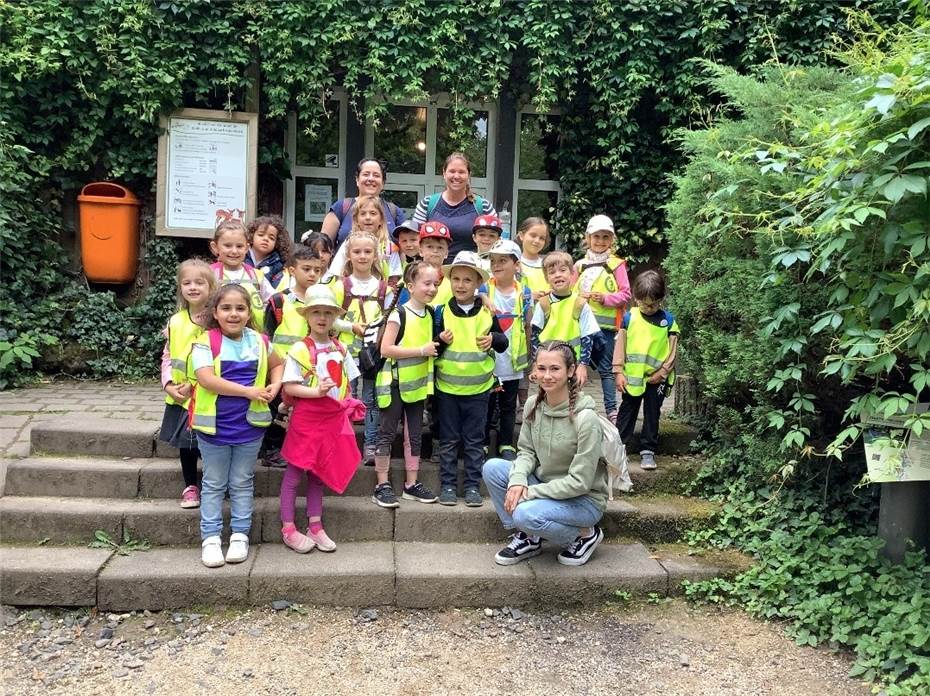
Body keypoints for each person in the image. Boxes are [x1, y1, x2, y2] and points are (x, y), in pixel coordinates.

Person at [483, 340, 607, 567]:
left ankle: (584, 536)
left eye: (555, 369)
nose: (547, 376)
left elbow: (580, 482)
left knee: (525, 514)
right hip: (545, 485)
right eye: (541, 368)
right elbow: (527, 452)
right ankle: (528, 537)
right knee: (492, 468)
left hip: (583, 499)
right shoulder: (533, 405)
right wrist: (518, 481)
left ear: (570, 371)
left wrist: (529, 492)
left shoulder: (586, 419)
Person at [189, 284, 284, 568]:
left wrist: (274, 385)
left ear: (248, 312)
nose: (233, 314)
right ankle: (211, 539)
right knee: (214, 483)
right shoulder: (205, 342)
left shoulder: (260, 340)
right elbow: (206, 379)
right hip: (213, 427)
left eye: (240, 308)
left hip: (250, 425)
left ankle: (240, 535)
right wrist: (248, 392)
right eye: (226, 308)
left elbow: (278, 364)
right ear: (215, 312)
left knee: (242, 482)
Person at [278, 285, 366, 553]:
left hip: (332, 420)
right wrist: (316, 392)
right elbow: (290, 387)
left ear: (334, 318)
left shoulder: (340, 348)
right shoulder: (299, 349)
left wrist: (347, 403)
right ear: (307, 316)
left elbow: (348, 384)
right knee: (294, 473)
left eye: (328, 312)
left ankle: (315, 526)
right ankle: (288, 527)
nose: (322, 317)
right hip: (306, 419)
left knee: (319, 473)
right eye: (316, 311)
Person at [434, 251, 508, 506]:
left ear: (478, 284)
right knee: (449, 440)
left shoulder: (487, 312)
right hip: (447, 390)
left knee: (476, 441)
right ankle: (447, 485)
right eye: (456, 279)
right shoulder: (440, 312)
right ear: (450, 281)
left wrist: (493, 339)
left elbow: (503, 342)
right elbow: (432, 349)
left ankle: (473, 487)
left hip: (479, 391)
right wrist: (439, 342)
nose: (461, 285)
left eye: (467, 280)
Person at [372, 261, 441, 507]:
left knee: (414, 436)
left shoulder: (431, 313)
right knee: (387, 434)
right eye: (427, 283)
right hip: (393, 385)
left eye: (435, 283)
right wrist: (421, 350)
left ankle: (411, 484)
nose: (432, 288)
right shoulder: (398, 314)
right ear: (410, 286)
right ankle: (382, 484)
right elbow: (385, 349)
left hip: (417, 386)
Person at [261, 244, 326, 467]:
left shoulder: (320, 302)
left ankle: (295, 450)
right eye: (306, 269)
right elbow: (266, 336)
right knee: (277, 410)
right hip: (279, 369)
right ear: (291, 270)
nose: (312, 274)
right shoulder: (279, 301)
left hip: (307, 369)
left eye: (317, 270)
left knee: (300, 412)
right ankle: (271, 450)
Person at [158, 259, 216, 509]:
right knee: (186, 445)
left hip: (208, 393)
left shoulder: (217, 320)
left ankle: (215, 484)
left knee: (210, 443)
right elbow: (168, 355)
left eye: (199, 282)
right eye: (187, 282)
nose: (193, 287)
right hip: (180, 396)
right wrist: (168, 383)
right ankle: (190, 486)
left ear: (211, 287)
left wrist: (196, 384)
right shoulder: (175, 321)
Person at [331, 232, 391, 464]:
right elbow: (330, 319)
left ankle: (371, 444)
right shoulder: (340, 286)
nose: (362, 256)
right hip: (345, 354)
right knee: (344, 398)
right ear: (349, 255)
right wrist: (351, 326)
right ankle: (341, 443)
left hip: (372, 356)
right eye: (357, 251)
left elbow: (390, 319)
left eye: (368, 251)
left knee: (370, 400)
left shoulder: (384, 288)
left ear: (375, 255)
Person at [613, 270, 679, 471]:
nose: (648, 308)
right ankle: (618, 449)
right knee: (627, 411)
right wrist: (618, 372)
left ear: (661, 299)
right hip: (632, 379)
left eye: (653, 304)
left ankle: (648, 451)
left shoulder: (668, 322)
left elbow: (673, 351)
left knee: (652, 413)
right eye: (643, 303)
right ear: (635, 298)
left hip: (657, 379)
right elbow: (620, 346)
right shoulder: (628, 318)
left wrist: (663, 373)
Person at [574, 214, 631, 422]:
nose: (600, 241)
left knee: (606, 370)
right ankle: (572, 404)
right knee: (575, 366)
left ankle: (611, 411)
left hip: (606, 328)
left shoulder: (617, 265)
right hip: (580, 327)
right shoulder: (579, 266)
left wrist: (606, 298)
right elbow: (571, 293)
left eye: (605, 237)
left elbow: (626, 294)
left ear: (612, 240)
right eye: (596, 236)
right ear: (588, 238)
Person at [484, 240, 532, 461]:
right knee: (486, 404)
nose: (496, 265)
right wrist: (482, 297)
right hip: (489, 360)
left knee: (508, 406)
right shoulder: (485, 289)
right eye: (493, 261)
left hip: (512, 361)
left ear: (516, 264)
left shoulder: (524, 292)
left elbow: (528, 324)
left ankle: (506, 443)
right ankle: (483, 442)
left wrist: (531, 354)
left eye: (503, 260)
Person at [531, 251, 600, 386]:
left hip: (572, 366)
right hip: (548, 368)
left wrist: (583, 365)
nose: (557, 275)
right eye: (552, 272)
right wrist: (535, 364)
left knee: (571, 400)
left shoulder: (580, 304)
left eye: (562, 270)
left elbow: (587, 337)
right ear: (546, 278)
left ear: (572, 273)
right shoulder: (543, 304)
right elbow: (534, 336)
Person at [412, 152, 496, 259]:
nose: (456, 176)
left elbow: (497, 243)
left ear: (468, 175)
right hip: (432, 272)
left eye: (461, 172)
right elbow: (415, 240)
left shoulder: (483, 206)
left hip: (471, 272)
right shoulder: (427, 204)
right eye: (452, 171)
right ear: (444, 173)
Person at [320, 158, 405, 249]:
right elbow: (323, 247)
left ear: (383, 182)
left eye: (376, 175)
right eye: (366, 174)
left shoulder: (394, 212)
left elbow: (404, 249)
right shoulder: (341, 208)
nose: (371, 179)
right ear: (357, 180)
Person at [324, 194, 401, 282]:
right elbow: (338, 274)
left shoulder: (390, 247)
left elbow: (394, 278)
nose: (368, 217)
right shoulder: (348, 244)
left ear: (381, 220)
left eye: (373, 213)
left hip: (379, 294)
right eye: (363, 214)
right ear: (356, 220)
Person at [210, 219, 275, 315]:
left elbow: (273, 302)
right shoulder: (209, 274)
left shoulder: (256, 275)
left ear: (247, 248)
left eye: (239, 246)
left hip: (255, 329)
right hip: (218, 329)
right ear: (215, 247)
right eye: (227, 246)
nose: (234, 251)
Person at [247, 215, 292, 294]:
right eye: (261, 235)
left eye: (271, 238)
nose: (266, 239)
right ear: (251, 236)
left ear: (277, 243)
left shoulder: (278, 267)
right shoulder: (240, 257)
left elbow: (277, 293)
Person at [418, 221, 454, 306]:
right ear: (420, 251)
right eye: (430, 247)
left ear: (446, 253)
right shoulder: (411, 276)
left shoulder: (453, 278)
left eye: (440, 247)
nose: (435, 251)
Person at [516, 217, 550, 300]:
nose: (537, 241)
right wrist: (529, 296)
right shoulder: (513, 264)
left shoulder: (548, 265)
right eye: (533, 235)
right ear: (521, 235)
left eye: (542, 238)